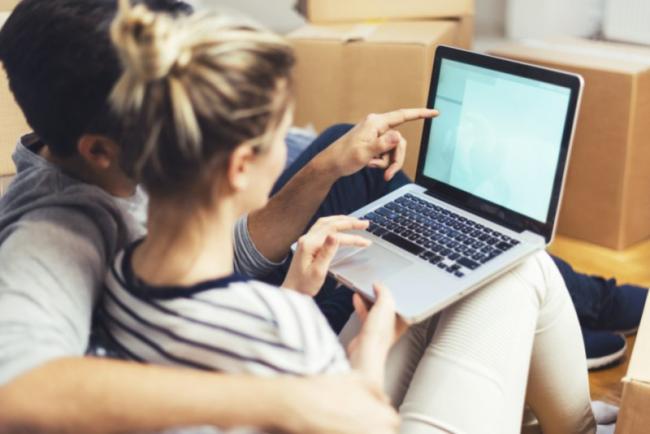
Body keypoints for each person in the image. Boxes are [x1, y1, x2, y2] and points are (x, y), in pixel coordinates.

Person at [99, 2, 600, 433]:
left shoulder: (121, 274)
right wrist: (370, 352)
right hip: (350, 403)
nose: (287, 151)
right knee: (521, 268)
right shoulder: (277, 325)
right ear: (240, 166)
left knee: (472, 277)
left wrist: (295, 290)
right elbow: (362, 421)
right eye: (280, 137)